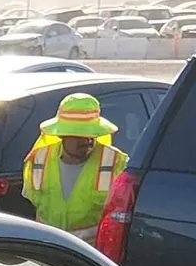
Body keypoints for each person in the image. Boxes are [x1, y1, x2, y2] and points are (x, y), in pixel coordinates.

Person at [22, 92, 127, 242]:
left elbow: (122, 217)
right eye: (79, 135)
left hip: (91, 252)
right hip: (48, 248)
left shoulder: (116, 163)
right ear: (61, 135)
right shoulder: (38, 160)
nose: (87, 141)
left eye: (93, 134)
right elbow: (33, 204)